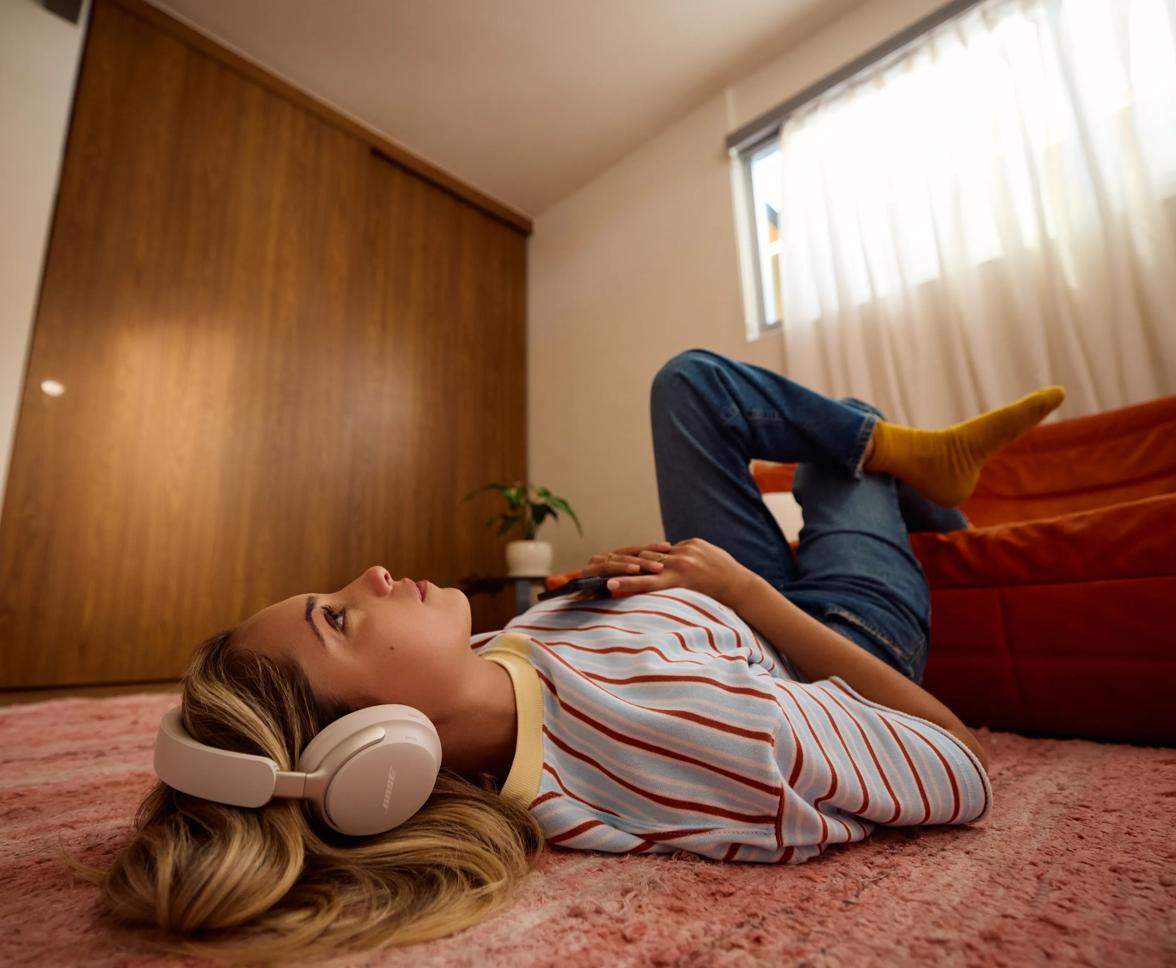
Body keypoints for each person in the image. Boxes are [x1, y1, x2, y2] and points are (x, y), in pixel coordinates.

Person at [89, 349, 1064, 960]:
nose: (371, 572)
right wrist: (743, 592)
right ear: (375, 751)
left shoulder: (476, 673)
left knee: (688, 381)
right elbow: (958, 762)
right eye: (339, 619)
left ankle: (930, 485)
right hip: (836, 631)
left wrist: (666, 582)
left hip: (716, 589)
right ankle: (932, 491)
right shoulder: (700, 740)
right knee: (839, 453)